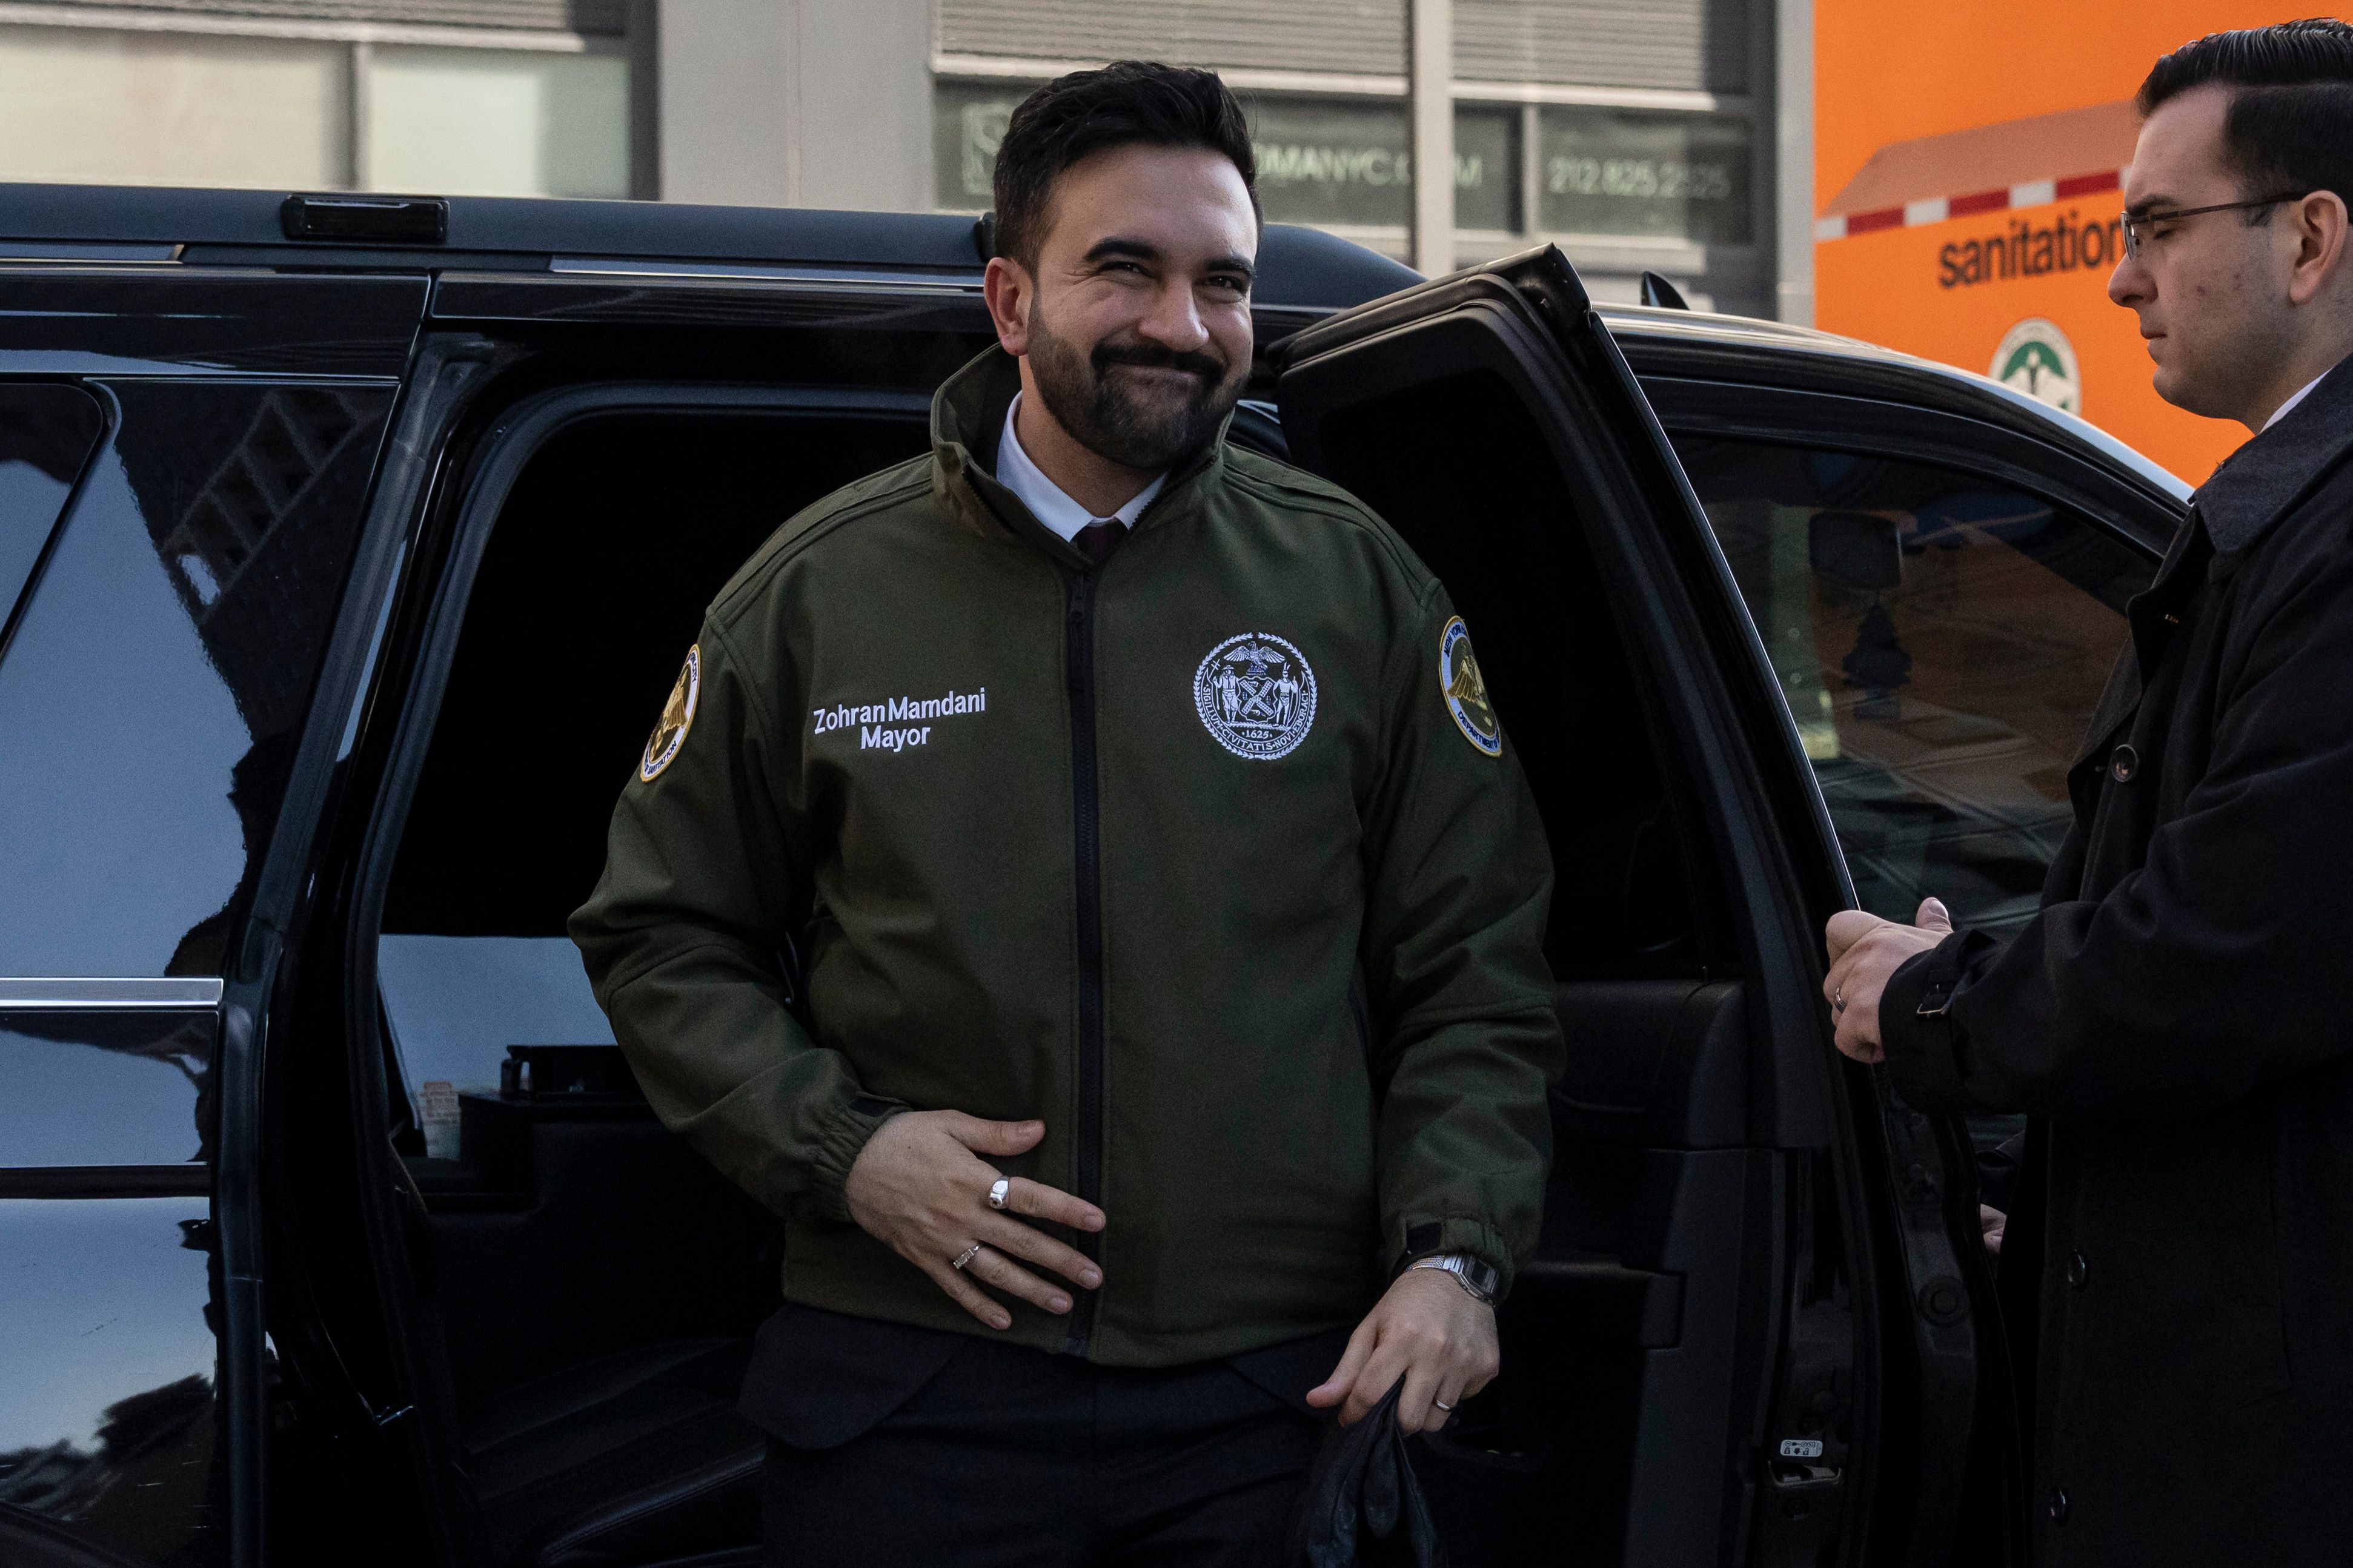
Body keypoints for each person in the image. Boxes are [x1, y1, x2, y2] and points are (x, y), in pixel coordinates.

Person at [571, 61, 1563, 1567]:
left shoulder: (1357, 588)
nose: (1183, 321)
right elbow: (659, 935)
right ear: (1009, 298)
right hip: (909, 1386)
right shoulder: (818, 596)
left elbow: (1476, 970)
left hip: (1273, 1394)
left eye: (1221, 280)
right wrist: (845, 1149)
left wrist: (1454, 1258)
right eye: (1126, 268)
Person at [1819, 21, 2353, 1566]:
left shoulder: (2329, 547)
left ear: (2310, 238)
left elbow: (2219, 954)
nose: (2119, 278)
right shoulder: (2272, 527)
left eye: (2156, 229)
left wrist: (1933, 1001)